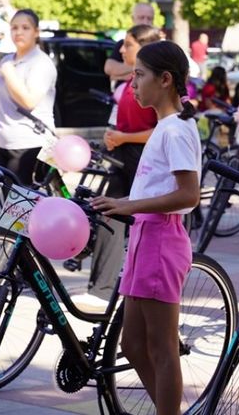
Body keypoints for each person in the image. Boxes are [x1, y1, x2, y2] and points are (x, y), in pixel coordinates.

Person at [90, 40, 201, 415]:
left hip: (161, 239)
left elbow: (189, 195)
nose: (132, 83)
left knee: (162, 348)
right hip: (144, 237)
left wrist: (127, 205)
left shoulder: (176, 130)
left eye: (139, 75)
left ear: (166, 79)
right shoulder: (167, 125)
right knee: (133, 346)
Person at [72, 24, 162, 309]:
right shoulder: (128, 84)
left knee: (139, 220)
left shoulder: (156, 86)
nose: (121, 50)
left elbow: (164, 129)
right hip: (122, 156)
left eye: (128, 44)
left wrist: (125, 137)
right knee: (107, 213)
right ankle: (101, 287)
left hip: (144, 160)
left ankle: (141, 285)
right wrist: (113, 136)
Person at [0, 9, 56, 186]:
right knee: (9, 202)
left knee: (19, 207)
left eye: (25, 27)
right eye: (14, 27)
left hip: (29, 142)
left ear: (36, 32)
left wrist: (10, 74)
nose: (18, 32)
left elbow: (29, 101)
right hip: (4, 141)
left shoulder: (41, 63)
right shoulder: (6, 60)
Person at [104, 3, 155, 82]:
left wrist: (121, 74)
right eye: (141, 18)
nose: (145, 22)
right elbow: (109, 68)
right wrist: (143, 69)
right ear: (133, 19)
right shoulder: (122, 43)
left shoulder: (159, 46)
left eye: (149, 18)